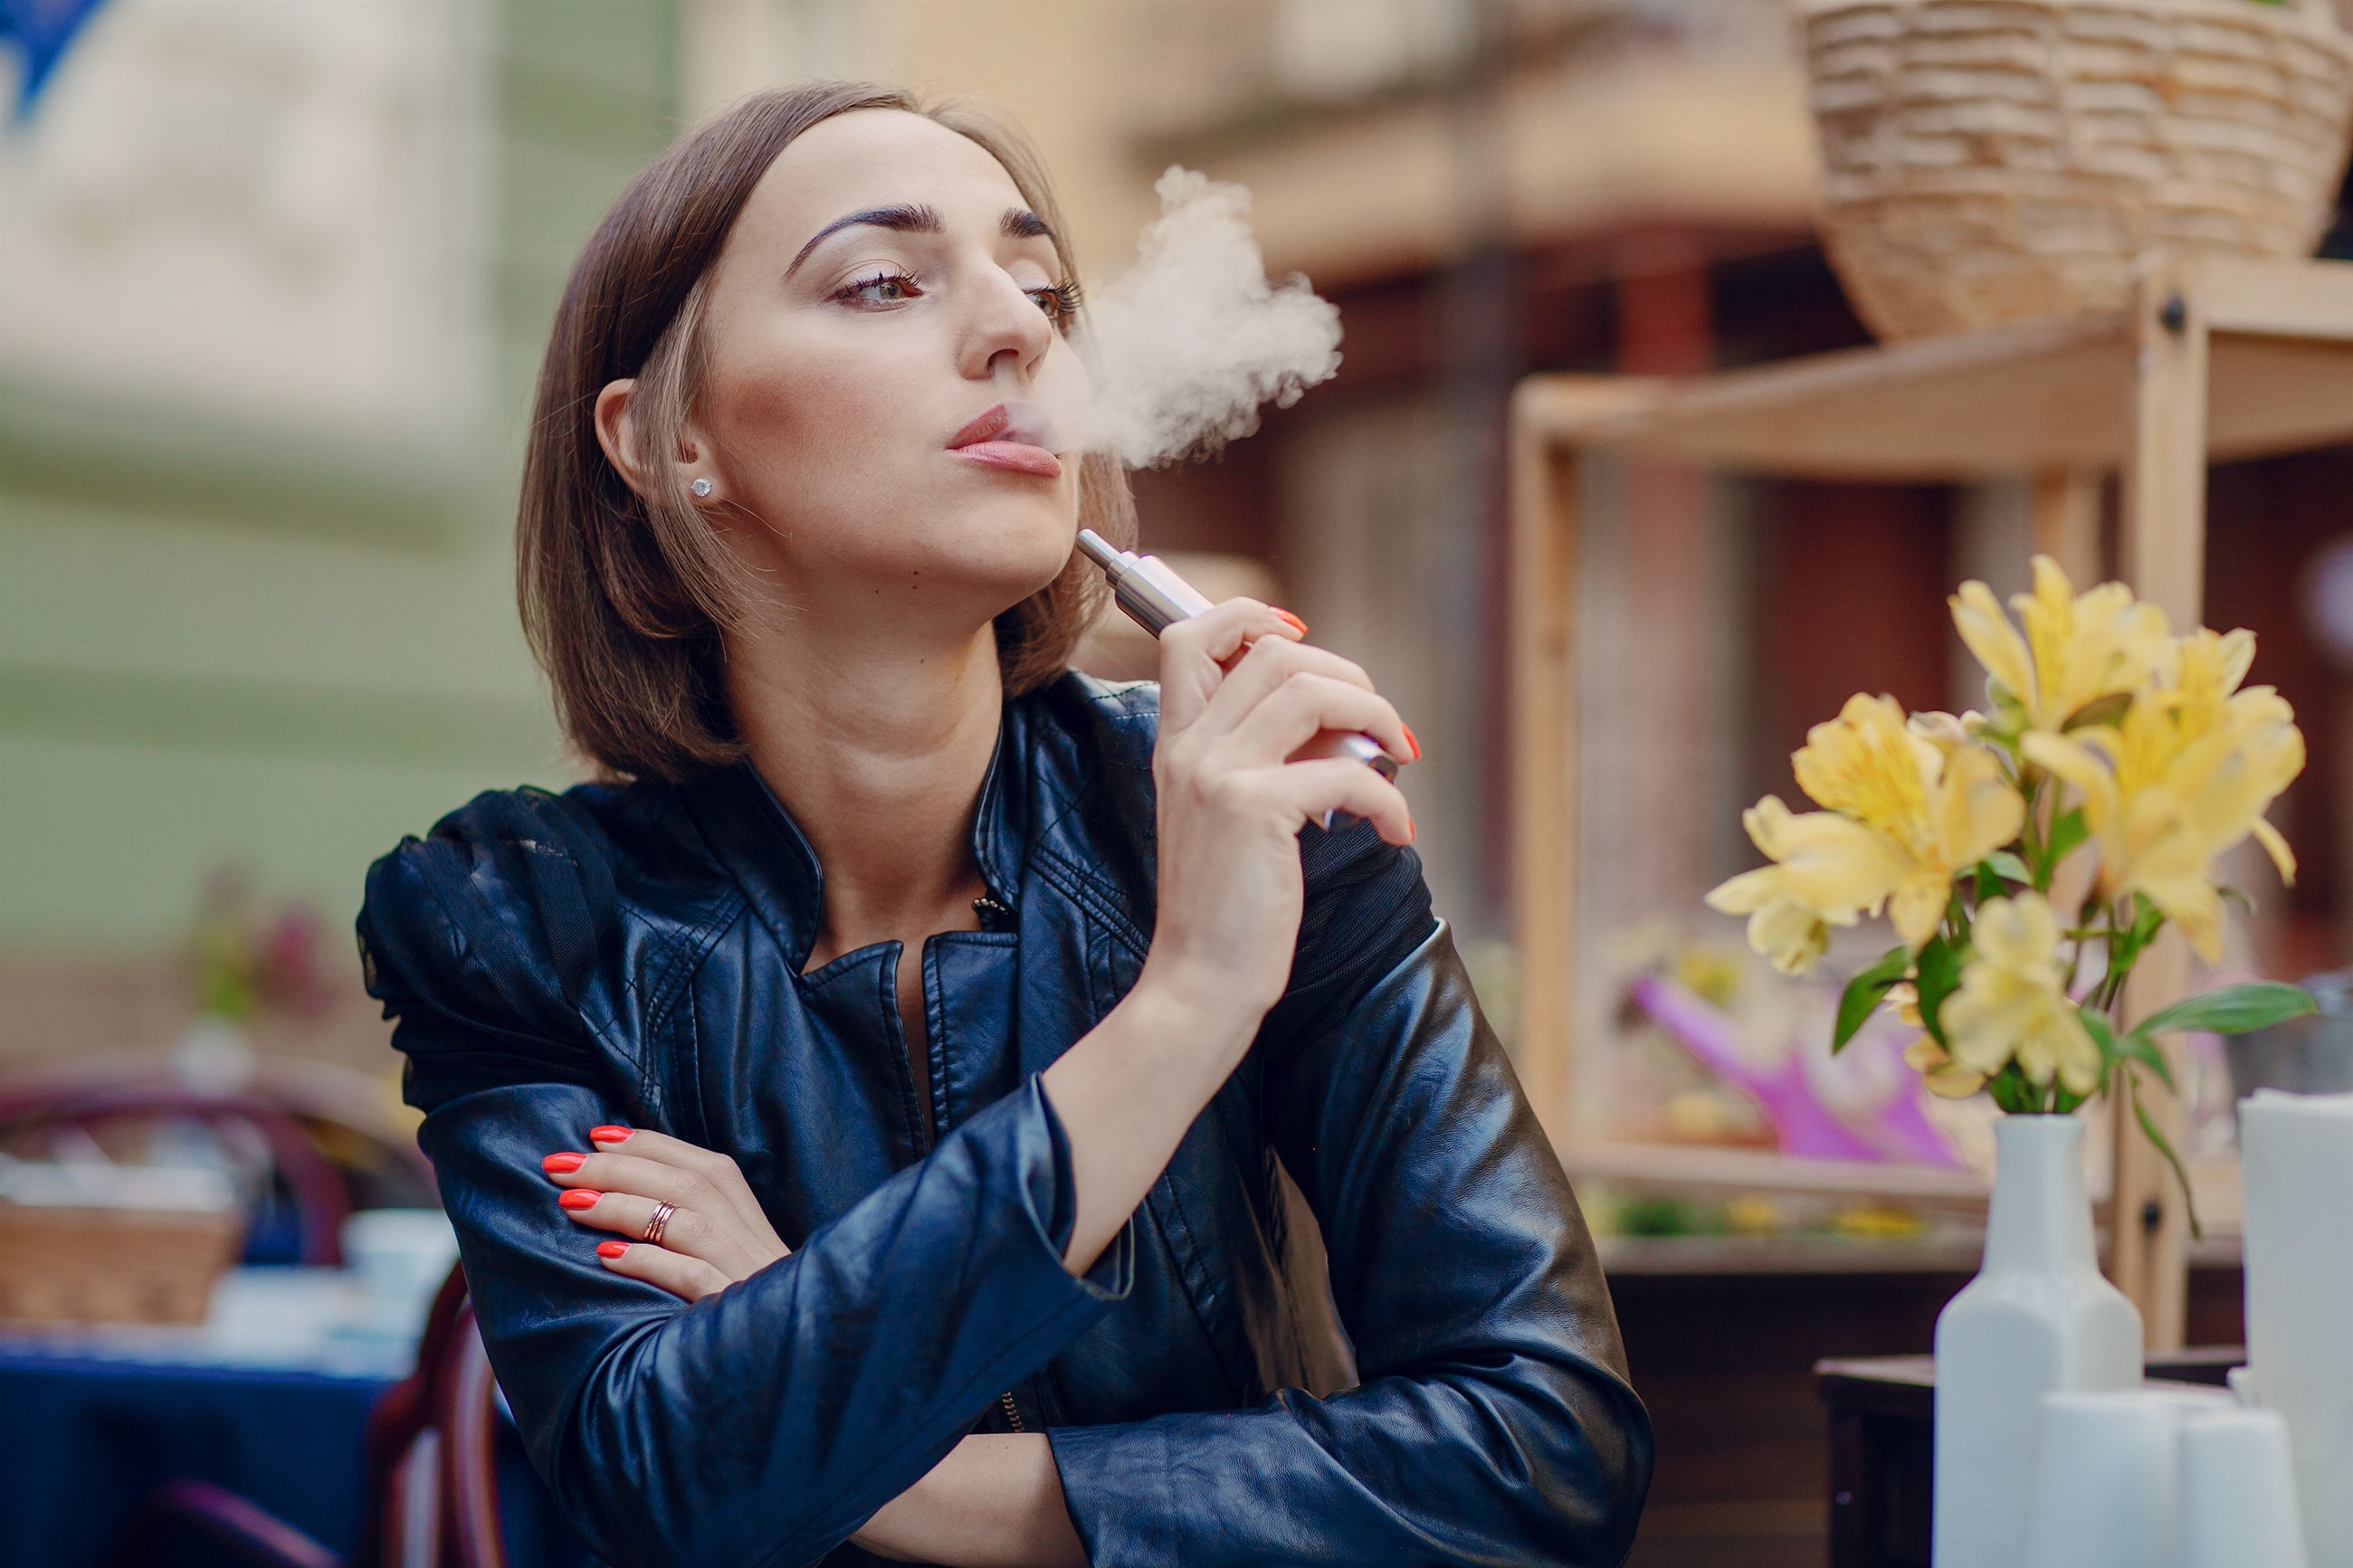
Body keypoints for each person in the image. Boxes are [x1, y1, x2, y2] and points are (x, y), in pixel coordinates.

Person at [356, 80, 1650, 1568]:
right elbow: (653, 1473)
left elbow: (1547, 1453)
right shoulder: (516, 922)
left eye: (1041, 288)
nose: (1020, 331)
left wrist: (834, 1373)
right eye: (886, 282)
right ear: (665, 441)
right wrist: (1183, 1010)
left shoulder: (1258, 819)